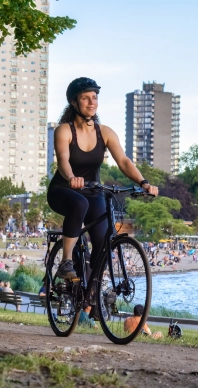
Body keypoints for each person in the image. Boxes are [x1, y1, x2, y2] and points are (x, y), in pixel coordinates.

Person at [47, 77, 158, 280]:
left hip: (93, 191)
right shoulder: (64, 130)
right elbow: (63, 160)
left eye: (94, 97)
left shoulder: (105, 132)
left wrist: (143, 183)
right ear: (74, 102)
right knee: (79, 203)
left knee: (103, 241)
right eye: (86, 98)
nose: (92, 103)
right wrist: (72, 177)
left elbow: (123, 161)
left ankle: (92, 293)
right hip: (64, 189)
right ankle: (66, 262)